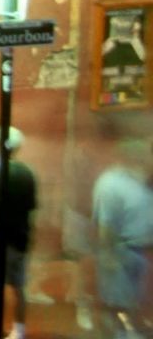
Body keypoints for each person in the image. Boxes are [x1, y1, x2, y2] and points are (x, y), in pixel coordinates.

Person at [0, 127, 38, 339]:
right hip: (20, 239)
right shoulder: (28, 173)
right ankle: (18, 330)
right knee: (18, 287)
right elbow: (31, 209)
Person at [94, 137, 153, 338]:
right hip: (120, 250)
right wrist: (109, 256)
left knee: (133, 301)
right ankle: (119, 335)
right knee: (115, 304)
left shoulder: (141, 180)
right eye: (143, 153)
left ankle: (128, 333)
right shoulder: (110, 183)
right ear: (128, 156)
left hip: (139, 250)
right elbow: (105, 223)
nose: (147, 157)